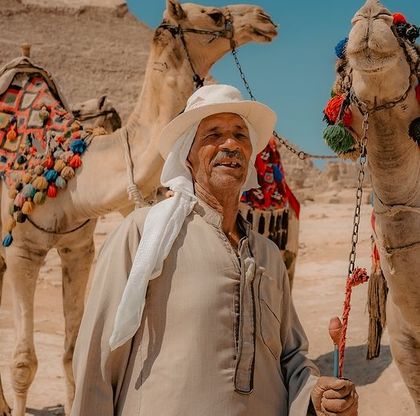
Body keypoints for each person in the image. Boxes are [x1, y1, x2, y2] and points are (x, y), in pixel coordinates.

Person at [71, 84, 358, 416]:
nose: (230, 144)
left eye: (240, 134)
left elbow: (290, 357)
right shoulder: (143, 235)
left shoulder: (267, 255)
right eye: (213, 135)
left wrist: (315, 394)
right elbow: (97, 361)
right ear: (187, 154)